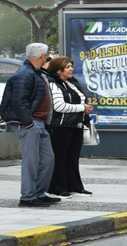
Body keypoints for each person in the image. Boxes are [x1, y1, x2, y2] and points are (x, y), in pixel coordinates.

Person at [0, 43, 59, 208]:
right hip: (30, 123)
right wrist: (29, 123)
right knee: (31, 161)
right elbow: (19, 101)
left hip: (39, 122)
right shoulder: (25, 74)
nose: (47, 58)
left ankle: (39, 192)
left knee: (48, 158)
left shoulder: (35, 72)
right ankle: (27, 197)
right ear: (42, 56)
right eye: (46, 56)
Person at [44, 56, 95, 199]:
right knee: (60, 158)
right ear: (58, 70)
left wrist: (84, 108)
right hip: (61, 126)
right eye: (67, 67)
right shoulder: (54, 84)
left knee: (73, 157)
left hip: (76, 124)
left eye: (71, 66)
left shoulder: (72, 83)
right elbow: (59, 106)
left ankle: (75, 187)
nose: (71, 69)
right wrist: (81, 107)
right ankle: (58, 188)